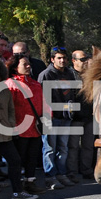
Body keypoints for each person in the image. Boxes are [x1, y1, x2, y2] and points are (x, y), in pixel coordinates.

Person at [0, 54, 38, 199]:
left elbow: (11, 109)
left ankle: (17, 192)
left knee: (15, 160)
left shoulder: (3, 86)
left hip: (3, 131)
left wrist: (11, 124)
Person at [5, 55, 46, 194]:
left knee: (32, 157)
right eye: (25, 64)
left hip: (35, 128)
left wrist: (47, 117)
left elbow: (43, 104)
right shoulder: (10, 84)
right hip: (19, 129)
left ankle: (30, 182)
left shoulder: (35, 84)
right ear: (15, 67)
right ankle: (19, 186)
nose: (29, 66)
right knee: (19, 159)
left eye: (29, 64)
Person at [38, 46, 77, 190]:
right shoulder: (46, 74)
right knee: (49, 148)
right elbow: (40, 98)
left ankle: (62, 174)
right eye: (59, 58)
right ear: (52, 59)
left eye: (64, 58)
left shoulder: (69, 73)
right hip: (50, 117)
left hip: (66, 116)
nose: (62, 61)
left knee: (63, 148)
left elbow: (72, 92)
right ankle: (50, 177)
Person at [67, 50, 95, 181]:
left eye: (86, 59)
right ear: (74, 61)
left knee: (88, 146)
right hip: (75, 117)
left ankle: (86, 169)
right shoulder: (69, 75)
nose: (85, 62)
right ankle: (71, 171)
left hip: (90, 116)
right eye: (82, 60)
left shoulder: (90, 75)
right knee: (72, 146)